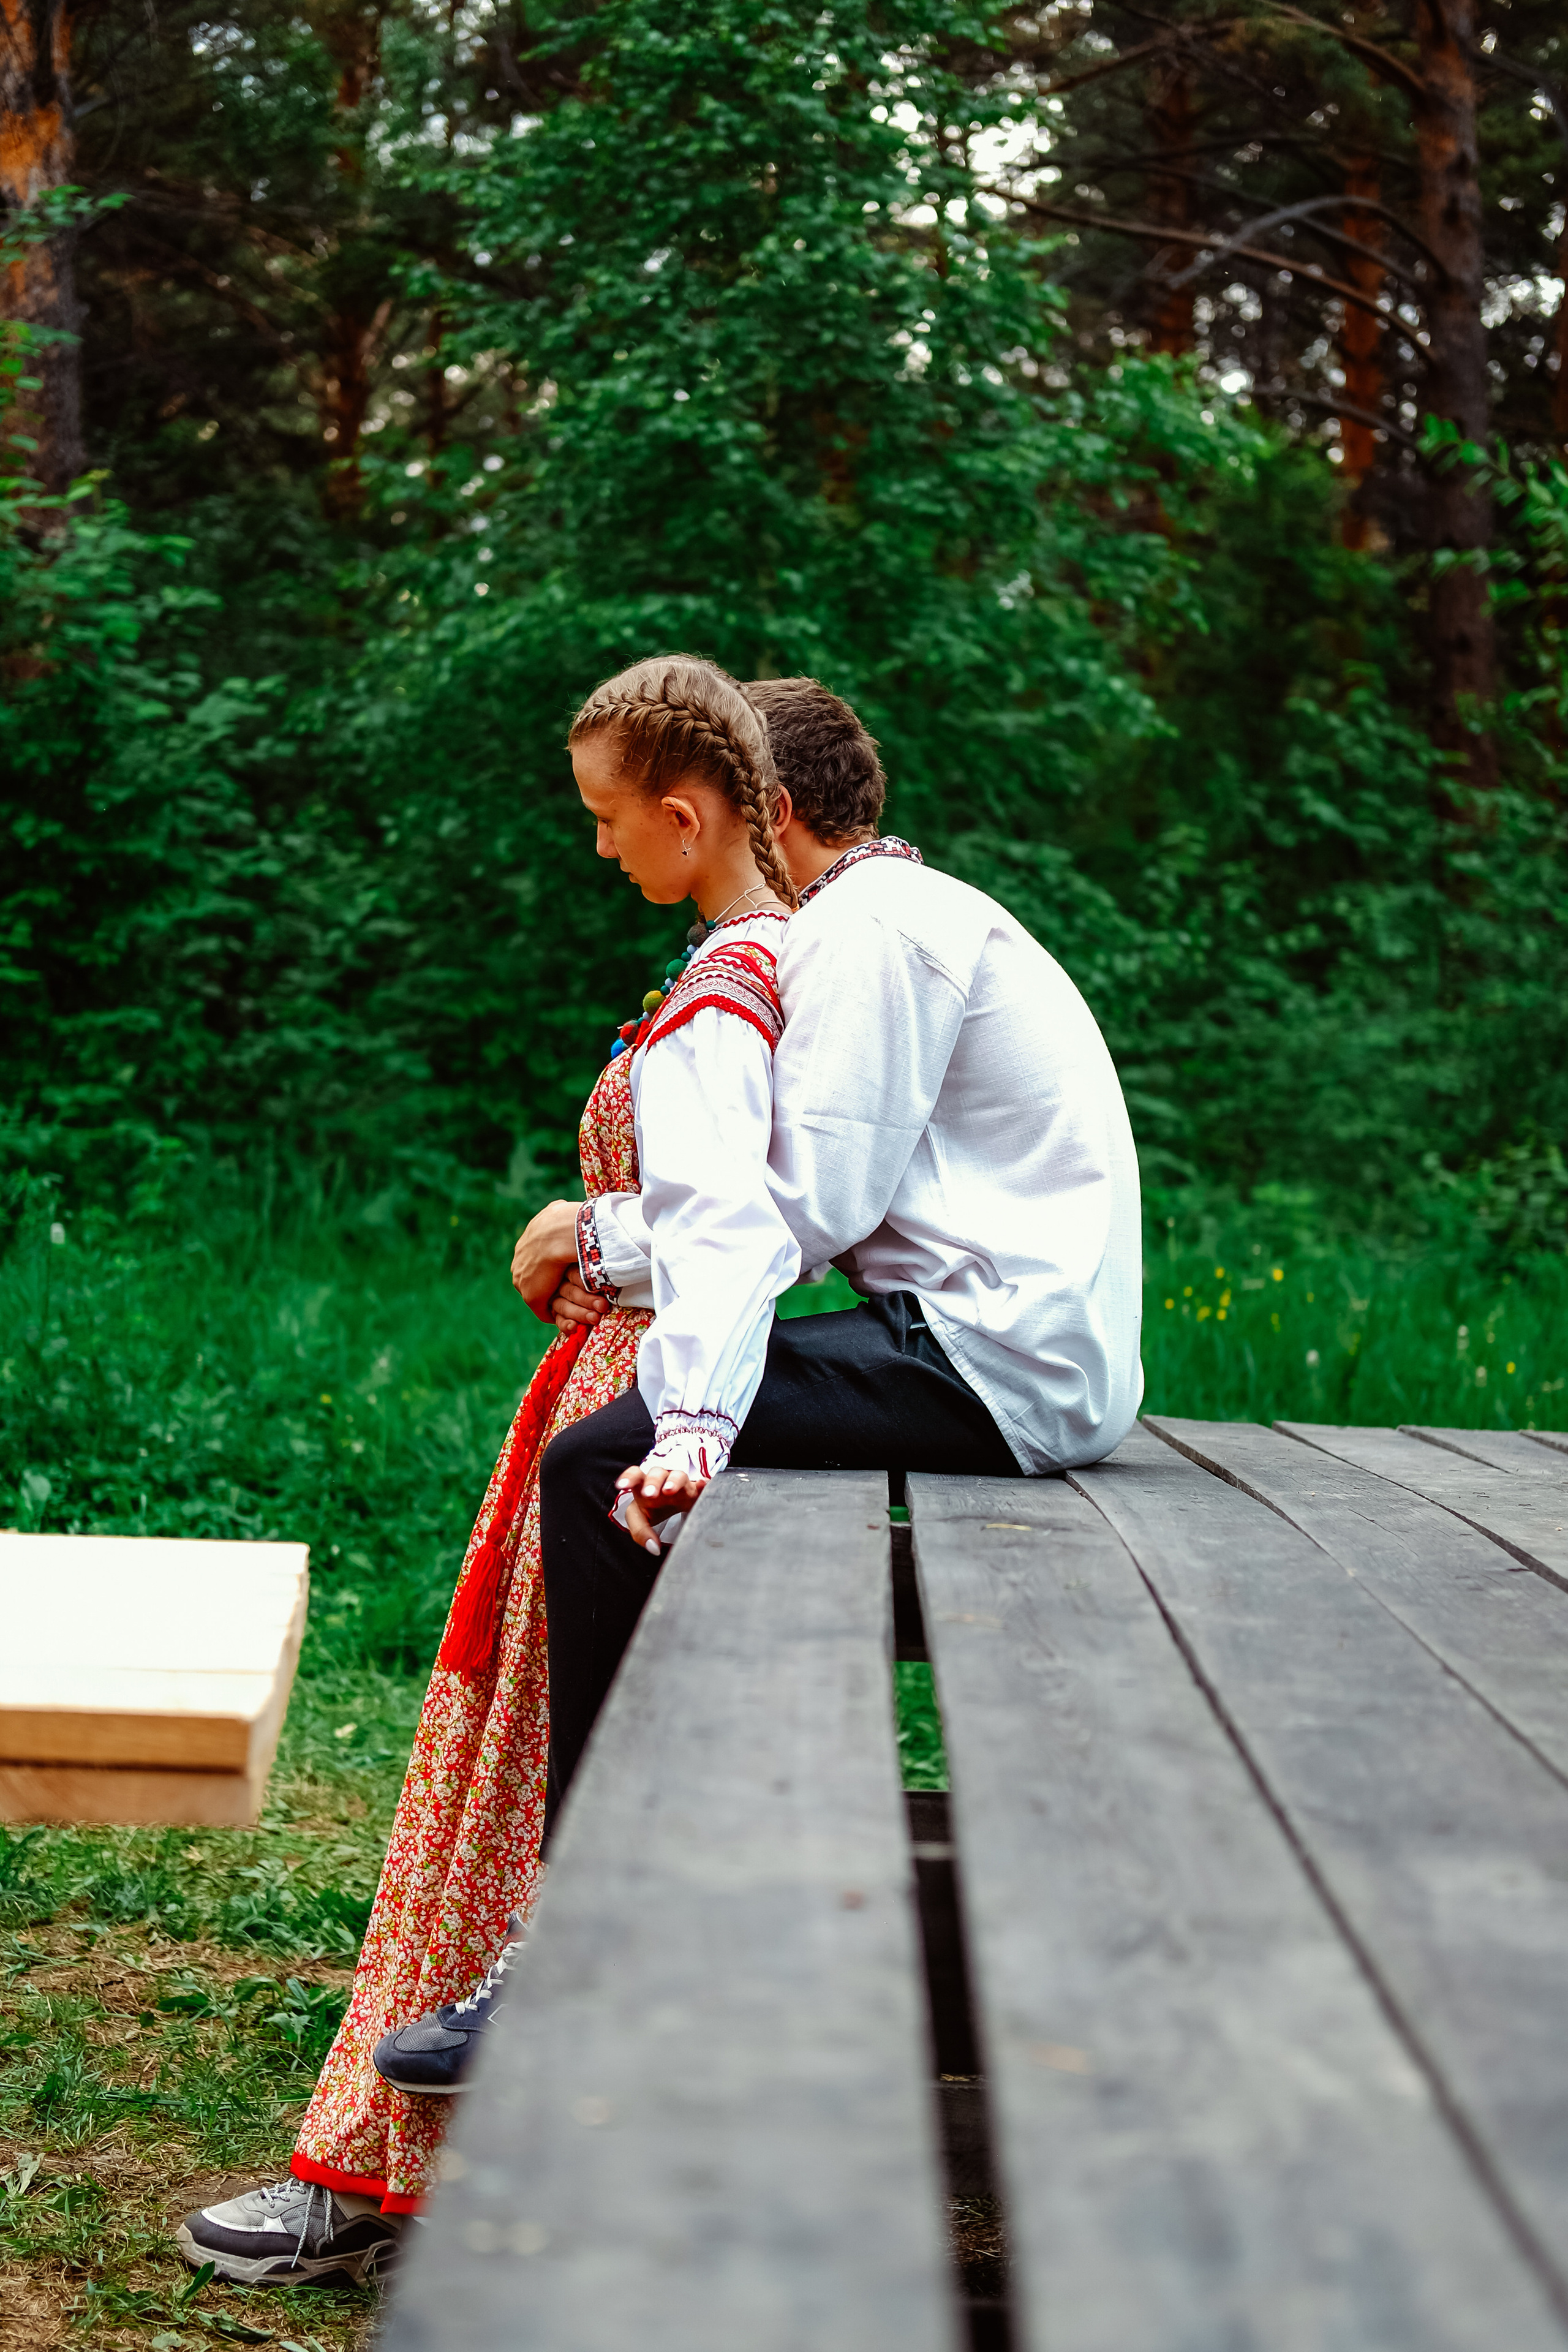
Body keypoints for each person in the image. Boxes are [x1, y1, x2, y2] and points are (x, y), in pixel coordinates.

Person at [173, 654, 801, 2287]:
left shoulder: (734, 996)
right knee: (504, 1781)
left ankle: (402, 2188)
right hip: (611, 1378)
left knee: (508, 1793)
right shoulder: (754, 970)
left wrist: (599, 1252)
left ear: (689, 811)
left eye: (609, 820)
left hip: (635, 1394)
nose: (598, 848)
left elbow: (748, 1235)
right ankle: (442, 2185)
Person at [531, 674, 1144, 1816]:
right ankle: (705, 1812)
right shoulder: (898, 914)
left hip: (990, 1362)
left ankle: (589, 1899)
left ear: (752, 801)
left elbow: (803, 1209)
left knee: (592, 1473)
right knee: (647, 1448)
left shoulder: (873, 930)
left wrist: (595, 1240)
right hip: (996, 1344)